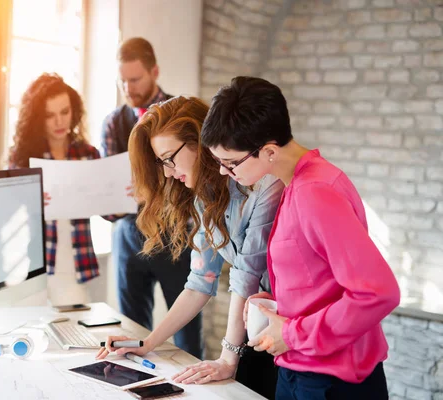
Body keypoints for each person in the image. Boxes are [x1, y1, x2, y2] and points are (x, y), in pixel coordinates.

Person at [200, 76, 401, 399]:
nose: (224, 172)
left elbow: (378, 293)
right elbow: (318, 279)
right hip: (302, 368)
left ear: (267, 151)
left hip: (330, 380)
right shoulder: (298, 184)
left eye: (229, 162)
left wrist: (293, 333)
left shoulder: (316, 192)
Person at [96, 96, 284, 399]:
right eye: (162, 163)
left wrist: (227, 357)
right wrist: (147, 342)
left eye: (170, 158)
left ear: (200, 141)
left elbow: (246, 276)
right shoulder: (204, 198)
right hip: (256, 332)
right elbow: (200, 283)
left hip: (287, 331)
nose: (168, 172)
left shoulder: (261, 184)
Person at [100, 38, 203, 358]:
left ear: (154, 71)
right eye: (121, 81)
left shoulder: (181, 114)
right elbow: (108, 198)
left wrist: (154, 187)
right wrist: (108, 198)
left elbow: (197, 180)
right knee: (131, 326)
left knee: (186, 330)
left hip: (176, 231)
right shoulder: (113, 123)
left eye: (135, 79)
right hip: (128, 232)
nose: (127, 88)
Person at [8, 72, 100, 305]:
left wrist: (123, 197)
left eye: (64, 112)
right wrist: (32, 200)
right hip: (31, 266)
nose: (59, 122)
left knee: (73, 336)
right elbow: (7, 210)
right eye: (50, 115)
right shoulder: (24, 157)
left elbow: (108, 210)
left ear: (74, 111)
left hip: (75, 266)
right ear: (38, 118)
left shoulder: (88, 154)